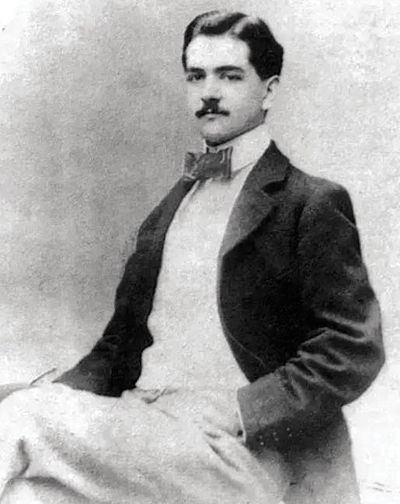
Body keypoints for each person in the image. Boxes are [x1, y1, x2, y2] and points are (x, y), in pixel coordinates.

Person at [0, 10, 384, 504]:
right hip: (141, 427)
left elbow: (352, 347)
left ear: (268, 90)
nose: (209, 92)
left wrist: (244, 410)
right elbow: (118, 349)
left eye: (230, 76)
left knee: (23, 421)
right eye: (196, 76)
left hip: (240, 450)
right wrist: (47, 391)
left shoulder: (308, 202)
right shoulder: (170, 210)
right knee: (28, 488)